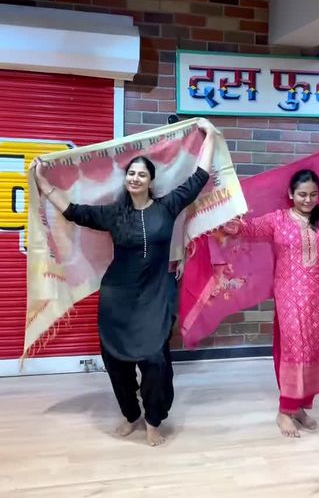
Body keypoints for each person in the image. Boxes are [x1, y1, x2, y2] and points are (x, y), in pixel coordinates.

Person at [34, 121, 218, 446]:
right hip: (117, 298)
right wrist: (43, 183)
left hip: (155, 296)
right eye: (131, 173)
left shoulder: (168, 206)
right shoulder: (114, 214)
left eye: (141, 174)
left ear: (150, 181)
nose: (135, 178)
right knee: (115, 361)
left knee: (156, 361)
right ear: (126, 179)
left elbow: (199, 176)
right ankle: (131, 414)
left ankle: (154, 419)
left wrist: (211, 134)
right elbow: (75, 212)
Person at [224, 134, 319, 438]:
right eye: (302, 194)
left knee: (313, 347)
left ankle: (300, 407)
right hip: (290, 296)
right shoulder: (277, 220)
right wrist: (220, 220)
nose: (308, 200)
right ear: (290, 194)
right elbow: (247, 228)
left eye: (313, 194)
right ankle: (285, 410)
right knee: (295, 348)